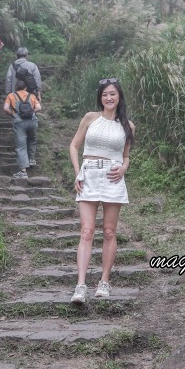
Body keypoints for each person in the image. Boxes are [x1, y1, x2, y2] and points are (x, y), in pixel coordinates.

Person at [68, 78, 135, 304]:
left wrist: (124, 168)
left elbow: (126, 156)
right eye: (105, 94)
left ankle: (104, 281)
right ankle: (80, 285)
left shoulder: (128, 125)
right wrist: (79, 172)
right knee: (87, 231)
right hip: (89, 174)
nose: (109, 98)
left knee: (109, 231)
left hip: (112, 177)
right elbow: (74, 146)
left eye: (113, 94)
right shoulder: (90, 118)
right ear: (100, 97)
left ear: (119, 97)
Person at [3, 78, 42, 179]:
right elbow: (39, 108)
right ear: (25, 87)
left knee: (21, 146)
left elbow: (6, 108)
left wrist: (13, 115)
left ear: (16, 87)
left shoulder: (11, 96)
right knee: (32, 139)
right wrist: (31, 112)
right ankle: (31, 159)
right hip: (32, 121)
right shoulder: (32, 96)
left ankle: (23, 171)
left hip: (19, 122)